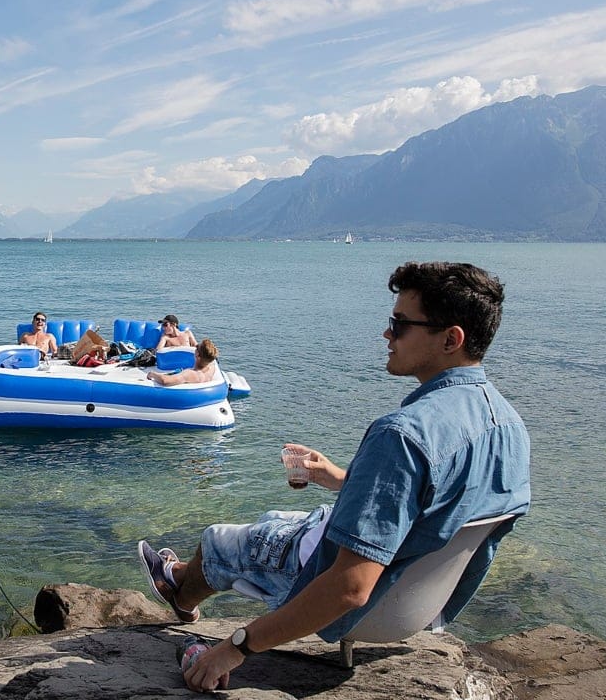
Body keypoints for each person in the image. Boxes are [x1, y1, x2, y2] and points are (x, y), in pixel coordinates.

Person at [136, 261, 531, 693]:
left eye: (399, 324)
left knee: (219, 540)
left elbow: (349, 588)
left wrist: (237, 646)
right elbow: (436, 506)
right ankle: (180, 580)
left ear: (451, 339)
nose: (387, 335)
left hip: (365, 603)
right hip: (418, 606)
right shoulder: (509, 427)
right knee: (277, 517)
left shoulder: (402, 434)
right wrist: (343, 479)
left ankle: (178, 590)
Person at [149, 338, 219, 385]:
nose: (195, 348)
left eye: (197, 347)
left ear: (197, 355)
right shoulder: (211, 368)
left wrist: (153, 374)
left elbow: (165, 381)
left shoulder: (189, 374)